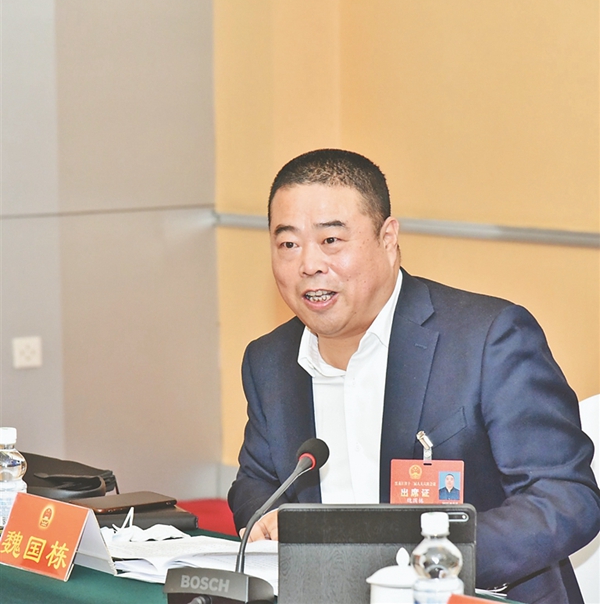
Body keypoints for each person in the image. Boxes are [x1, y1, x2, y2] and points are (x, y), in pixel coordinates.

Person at [227, 149, 600, 603]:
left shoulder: (487, 339)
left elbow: (565, 497)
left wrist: (430, 561)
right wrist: (267, 521)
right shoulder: (269, 360)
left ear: (388, 239)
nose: (309, 264)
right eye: (288, 245)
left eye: (331, 240)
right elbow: (256, 483)